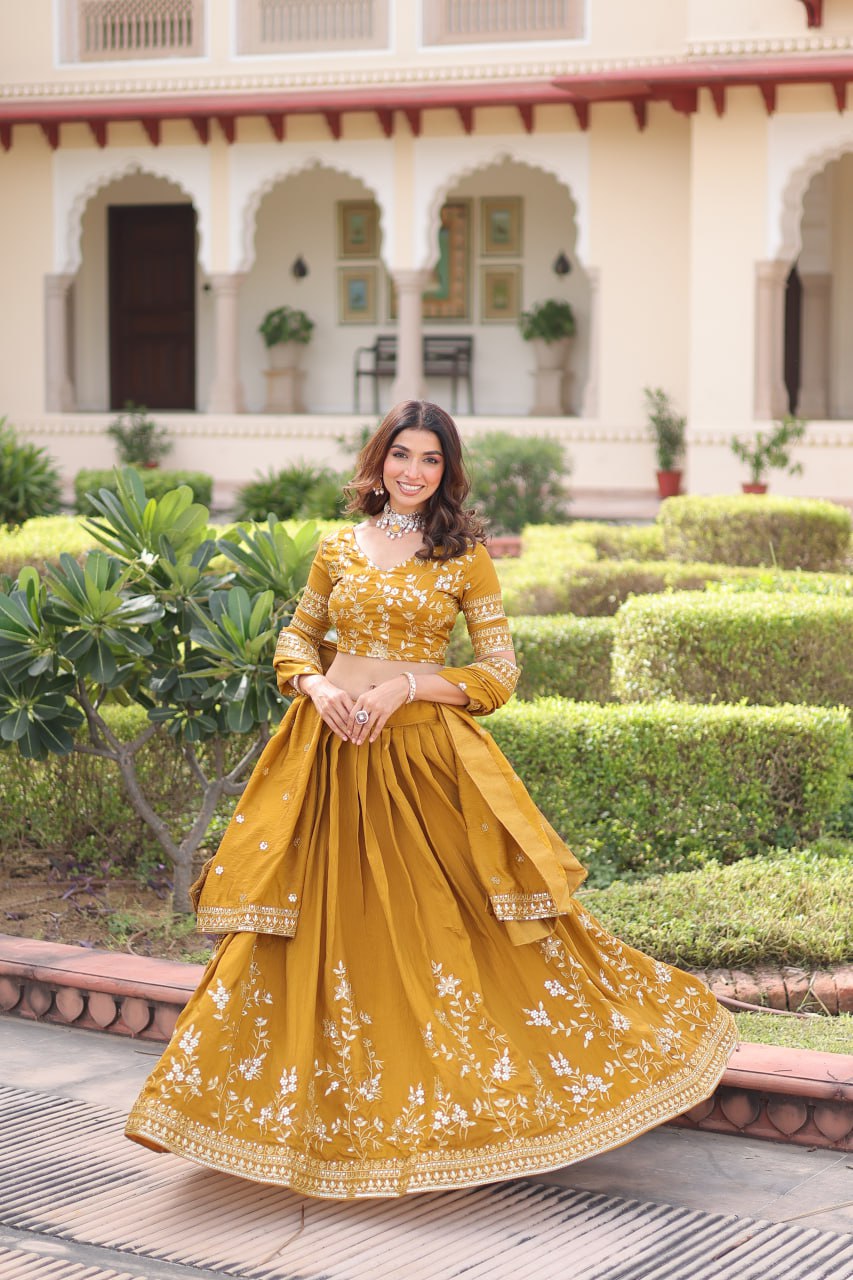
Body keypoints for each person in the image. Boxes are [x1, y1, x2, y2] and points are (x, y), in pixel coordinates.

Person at [126, 399, 737, 1199]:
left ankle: (469, 1108)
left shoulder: (463, 554)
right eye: (400, 455)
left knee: (444, 930)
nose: (412, 472)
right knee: (312, 931)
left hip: (419, 764)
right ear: (378, 460)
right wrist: (312, 687)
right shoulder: (336, 545)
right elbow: (295, 638)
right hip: (326, 758)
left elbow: (498, 671)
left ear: (447, 471)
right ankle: (307, 1121)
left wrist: (406, 687)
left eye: (430, 460)